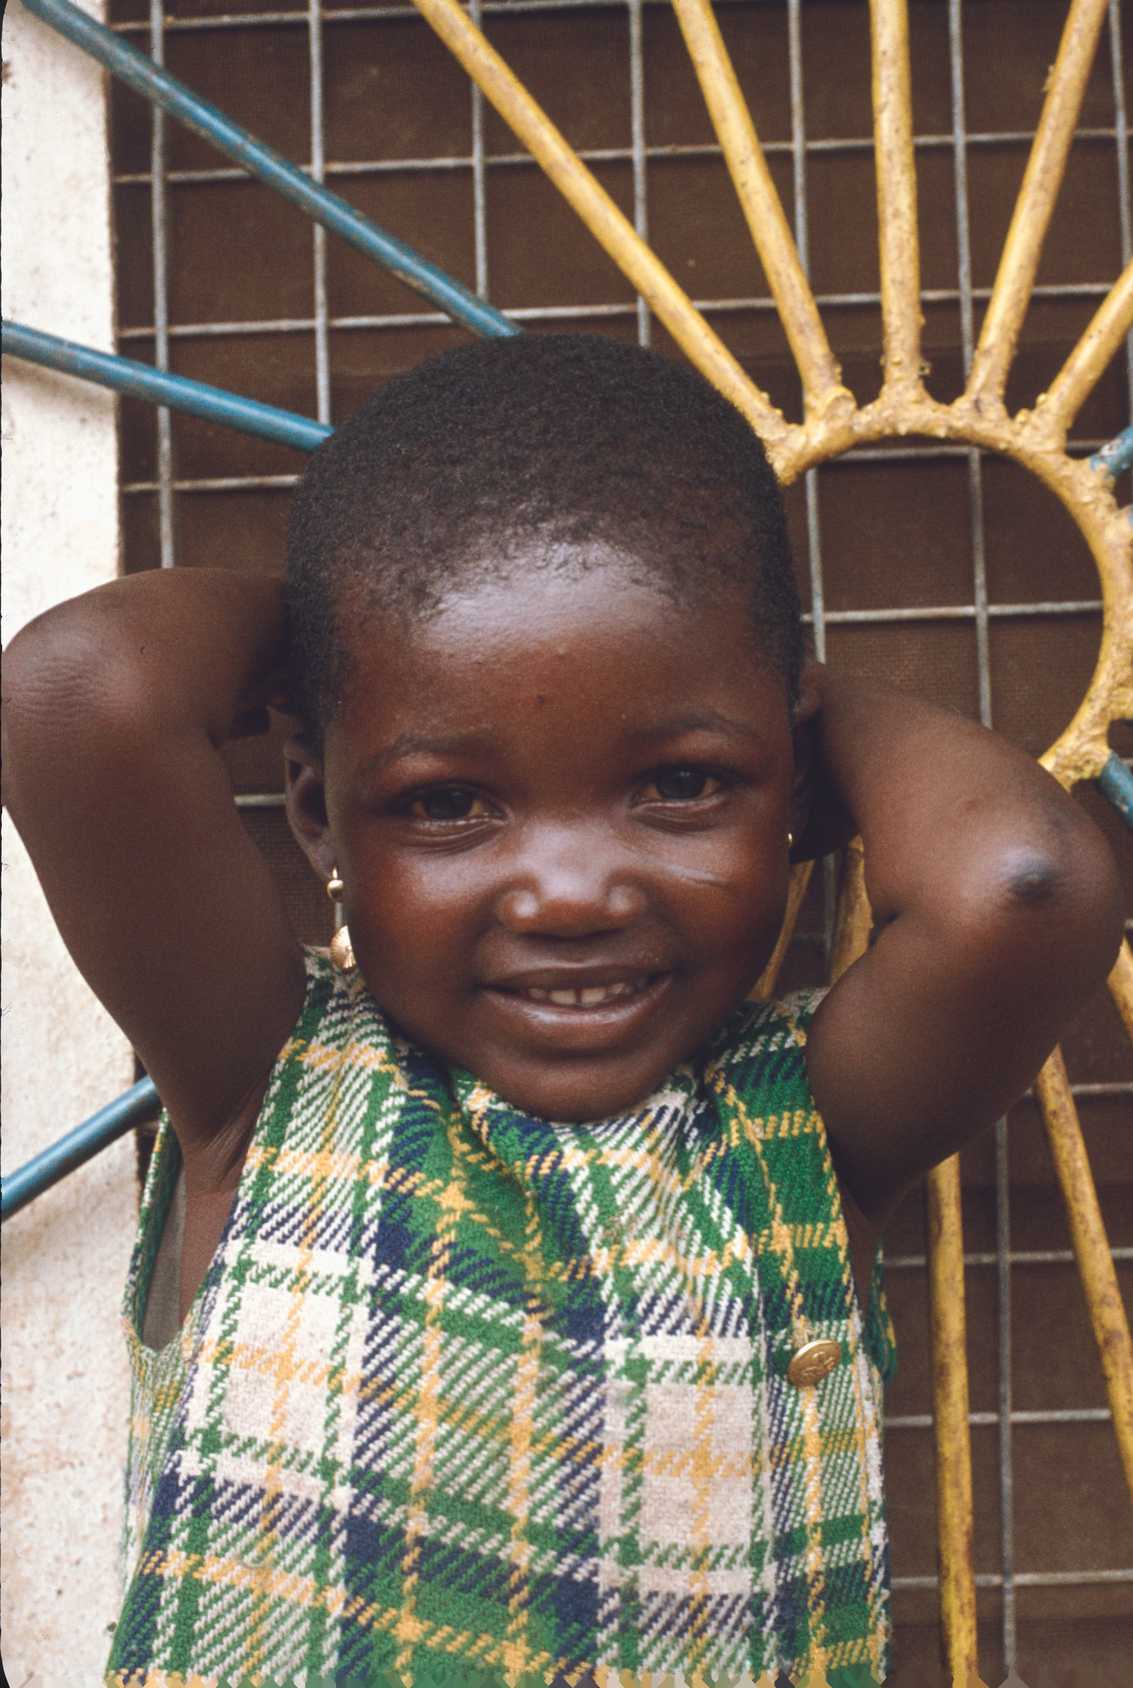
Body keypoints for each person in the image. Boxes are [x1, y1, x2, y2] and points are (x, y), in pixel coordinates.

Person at [3, 334, 1121, 1688]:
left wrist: (791, 709)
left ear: (793, 777)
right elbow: (74, 692)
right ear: (318, 808)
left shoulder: (805, 1136)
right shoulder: (263, 1083)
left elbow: (1024, 883)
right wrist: (354, 631)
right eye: (446, 801)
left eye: (681, 784)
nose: (571, 895)